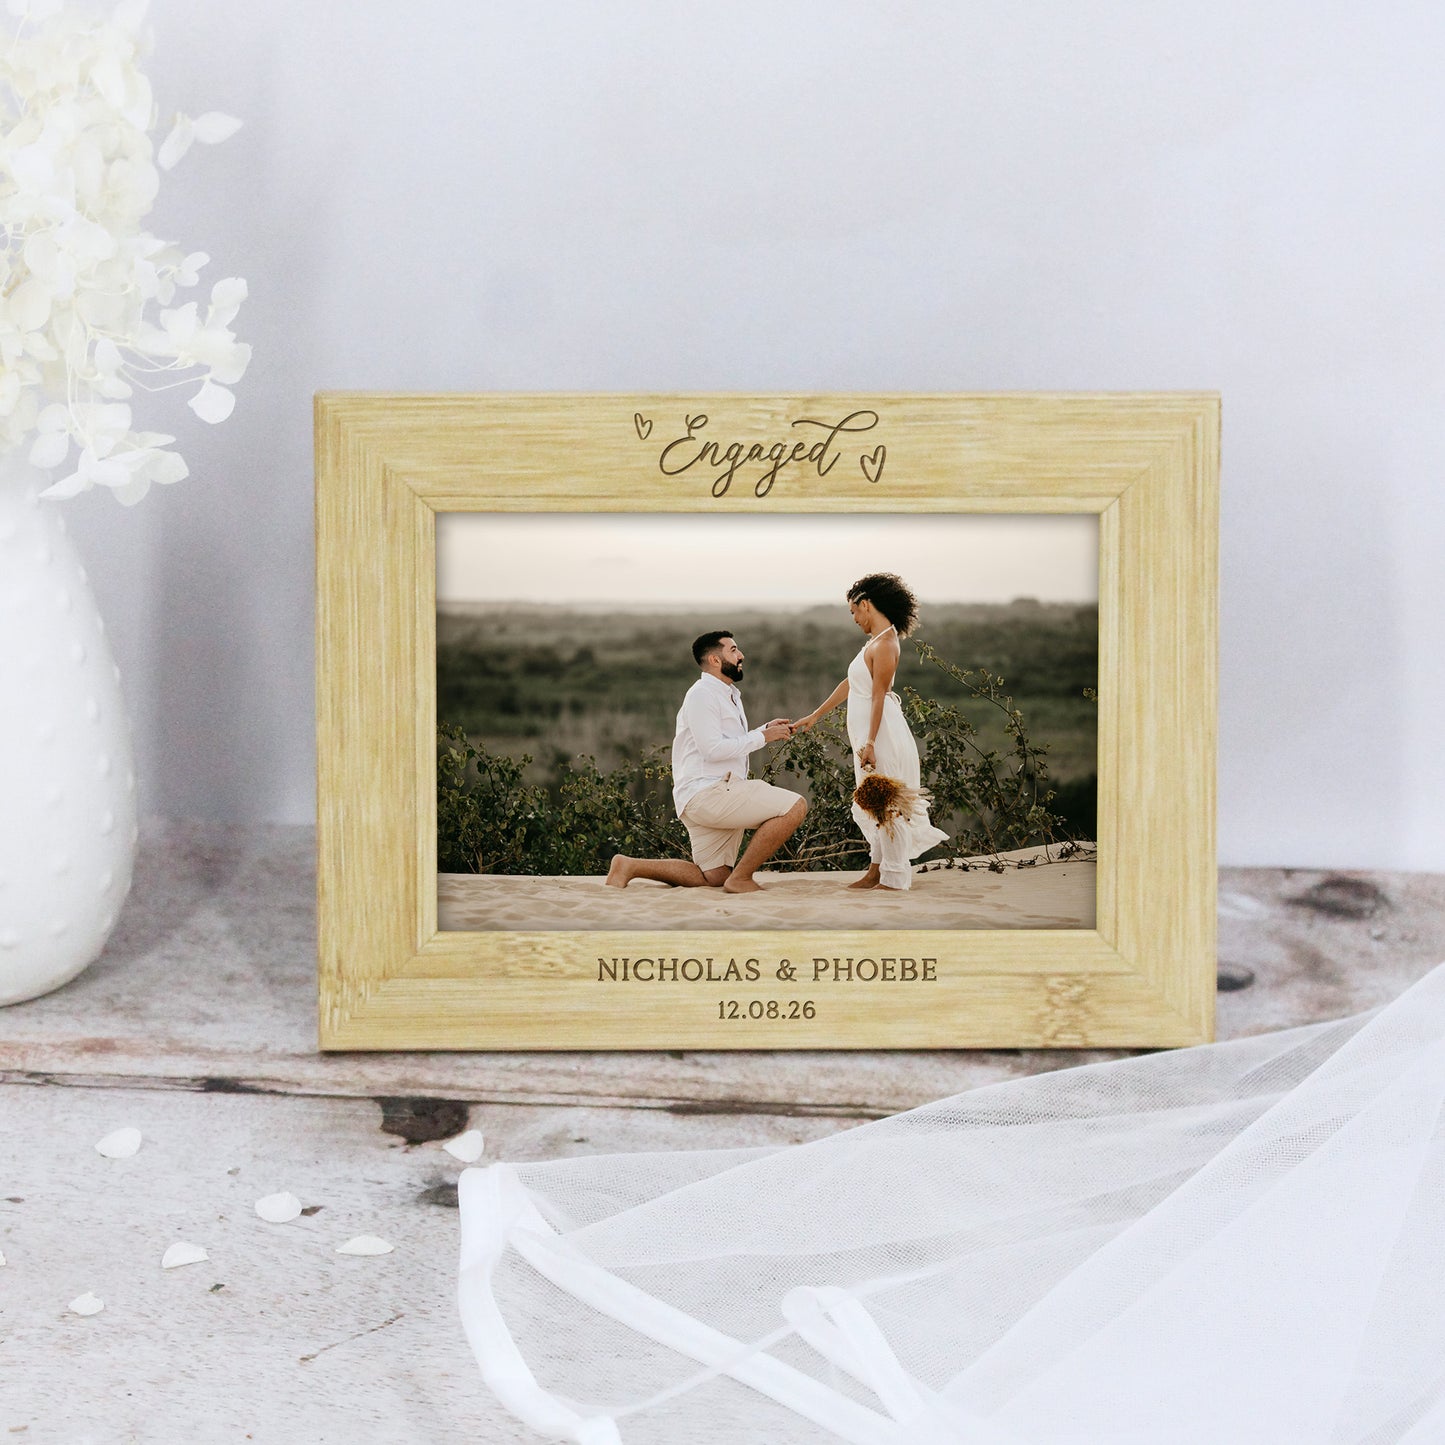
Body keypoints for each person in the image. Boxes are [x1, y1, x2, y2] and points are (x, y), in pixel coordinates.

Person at [606, 631, 806, 894]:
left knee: (713, 877)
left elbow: (726, 741)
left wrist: (764, 729)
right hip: (710, 792)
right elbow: (712, 750)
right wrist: (762, 737)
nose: (741, 655)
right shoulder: (702, 695)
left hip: (705, 796)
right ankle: (742, 878)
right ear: (714, 659)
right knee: (795, 807)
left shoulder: (726, 693)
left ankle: (629, 866)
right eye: (733, 650)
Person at [793, 573, 948, 890]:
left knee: (887, 805)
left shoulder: (887, 644)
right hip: (868, 736)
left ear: (866, 604)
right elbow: (852, 685)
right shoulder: (875, 643)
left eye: (853, 611)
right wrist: (816, 715)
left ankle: (894, 878)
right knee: (874, 802)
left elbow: (879, 695)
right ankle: (876, 870)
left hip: (882, 736)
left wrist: (872, 742)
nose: (853, 619)